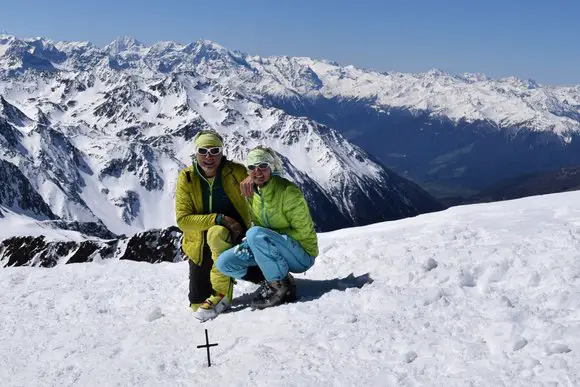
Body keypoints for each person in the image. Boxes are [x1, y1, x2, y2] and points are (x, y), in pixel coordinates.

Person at [175, 129, 264, 322]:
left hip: (236, 236)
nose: (209, 156)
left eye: (214, 150)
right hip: (200, 244)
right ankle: (237, 276)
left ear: (222, 152)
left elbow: (270, 170)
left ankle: (229, 290)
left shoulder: (236, 172)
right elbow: (183, 220)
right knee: (198, 304)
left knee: (217, 236)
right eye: (203, 151)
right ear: (195, 153)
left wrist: (253, 176)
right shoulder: (187, 178)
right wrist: (219, 219)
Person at [216, 146, 318, 309]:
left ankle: (278, 287)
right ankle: (277, 279)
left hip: (302, 253)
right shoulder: (253, 194)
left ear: (271, 167)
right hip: (271, 244)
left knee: (255, 233)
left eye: (263, 166)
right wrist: (259, 239)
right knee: (224, 263)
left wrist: (266, 236)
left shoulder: (288, 191)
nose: (258, 171)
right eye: (252, 168)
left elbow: (304, 232)